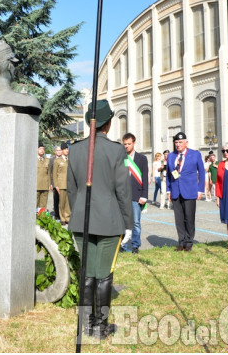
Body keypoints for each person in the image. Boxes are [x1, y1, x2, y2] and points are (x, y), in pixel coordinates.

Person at [67, 100, 133, 339]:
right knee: (103, 274)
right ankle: (100, 327)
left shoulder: (74, 149)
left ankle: (86, 324)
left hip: (82, 220)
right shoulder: (116, 150)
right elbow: (123, 191)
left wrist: (80, 214)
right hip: (108, 221)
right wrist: (128, 223)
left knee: (88, 273)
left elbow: (71, 190)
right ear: (108, 123)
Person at [166, 132, 206, 252]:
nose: (178, 145)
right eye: (176, 142)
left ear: (186, 143)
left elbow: (202, 173)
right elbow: (168, 174)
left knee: (189, 218)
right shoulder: (171, 156)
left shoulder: (195, 154)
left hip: (190, 191)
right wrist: (168, 190)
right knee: (179, 219)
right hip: (176, 191)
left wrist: (200, 190)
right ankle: (181, 242)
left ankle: (189, 242)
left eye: (180, 142)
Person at [122, 133, 148, 255]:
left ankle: (135, 245)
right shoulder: (121, 157)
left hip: (136, 195)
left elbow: (145, 178)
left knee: (136, 223)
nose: (126, 146)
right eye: (125, 144)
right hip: (122, 196)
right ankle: (122, 244)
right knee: (122, 221)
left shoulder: (142, 159)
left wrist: (144, 195)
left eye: (129, 144)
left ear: (134, 143)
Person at [52, 143, 70, 225]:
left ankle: (67, 217)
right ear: (62, 151)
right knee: (62, 202)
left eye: (67, 149)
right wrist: (56, 185)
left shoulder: (69, 160)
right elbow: (54, 174)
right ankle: (62, 218)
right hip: (61, 184)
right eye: (65, 149)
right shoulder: (57, 161)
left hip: (69, 184)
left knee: (67, 202)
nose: (67, 150)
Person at [49, 145, 62, 220]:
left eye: (60, 150)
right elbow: (50, 172)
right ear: (55, 151)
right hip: (55, 182)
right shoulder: (52, 160)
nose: (59, 152)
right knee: (56, 199)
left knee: (63, 200)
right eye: (57, 150)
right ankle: (57, 215)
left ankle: (62, 214)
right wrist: (51, 183)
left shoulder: (65, 159)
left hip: (62, 182)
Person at [36, 143, 50, 209]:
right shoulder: (33, 160)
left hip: (45, 186)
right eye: (40, 148)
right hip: (36, 186)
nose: (42, 150)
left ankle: (42, 218)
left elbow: (49, 173)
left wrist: (49, 184)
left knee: (43, 206)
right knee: (35, 204)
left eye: (43, 149)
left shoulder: (47, 160)